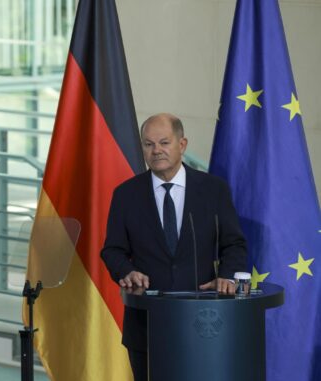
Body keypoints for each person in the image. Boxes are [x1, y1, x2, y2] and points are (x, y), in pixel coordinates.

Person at [100, 113, 247, 381]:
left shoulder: (213, 189)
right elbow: (112, 250)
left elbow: (234, 244)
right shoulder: (126, 194)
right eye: (148, 144)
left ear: (182, 144)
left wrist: (227, 276)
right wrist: (127, 271)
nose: (156, 150)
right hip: (146, 324)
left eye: (164, 142)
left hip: (203, 320)